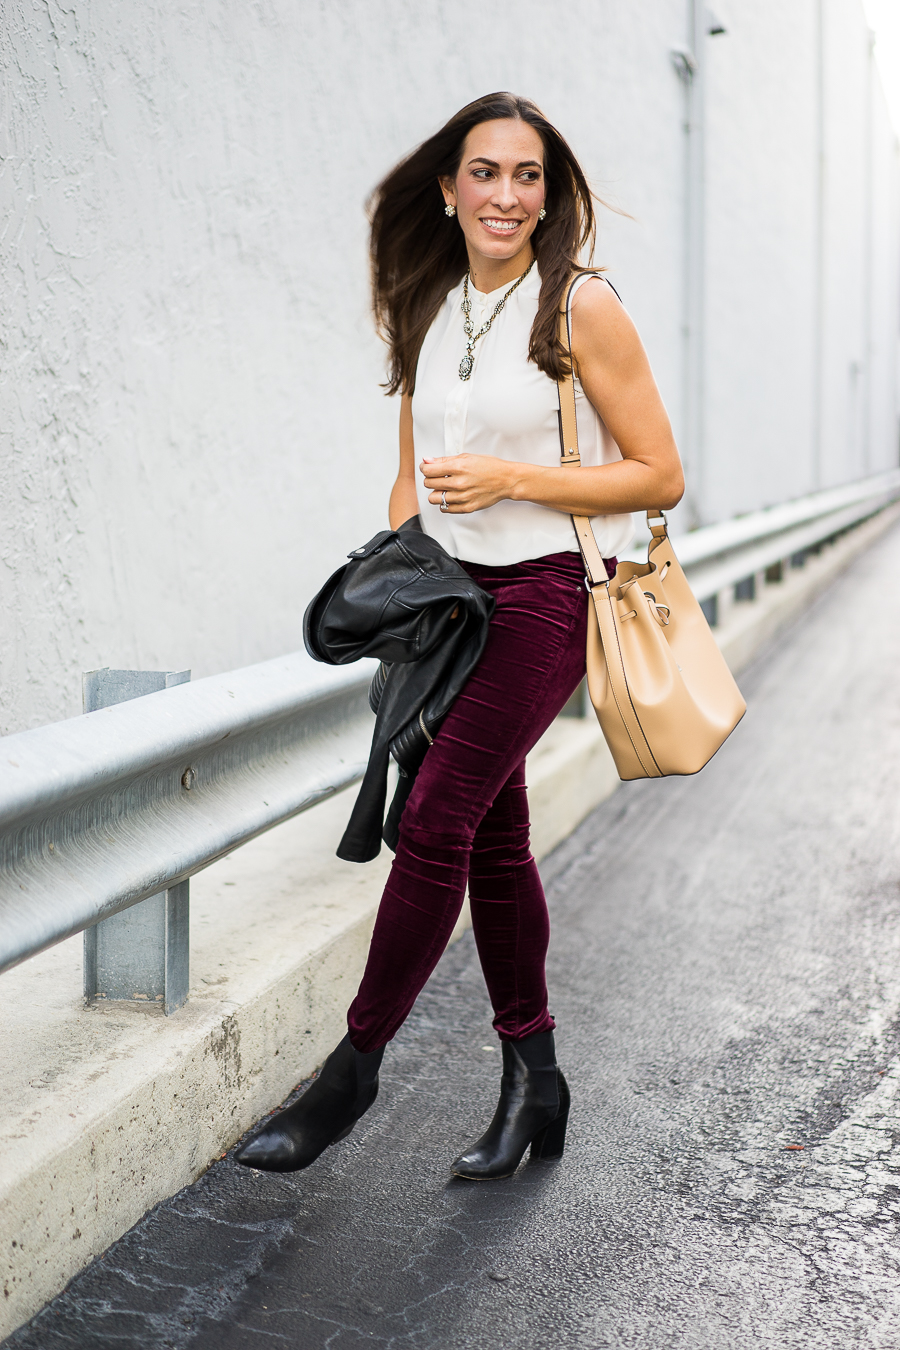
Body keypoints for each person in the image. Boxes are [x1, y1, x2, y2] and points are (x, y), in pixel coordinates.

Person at [236, 91, 684, 1180]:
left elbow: (660, 472)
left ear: (550, 194)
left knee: (434, 822)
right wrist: (401, 575)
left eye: (528, 176)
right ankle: (536, 1077)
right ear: (447, 188)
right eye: (485, 173)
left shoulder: (579, 308)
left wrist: (514, 478)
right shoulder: (428, 304)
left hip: (541, 597)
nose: (506, 195)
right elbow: (411, 470)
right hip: (450, 606)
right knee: (490, 838)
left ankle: (351, 1073)